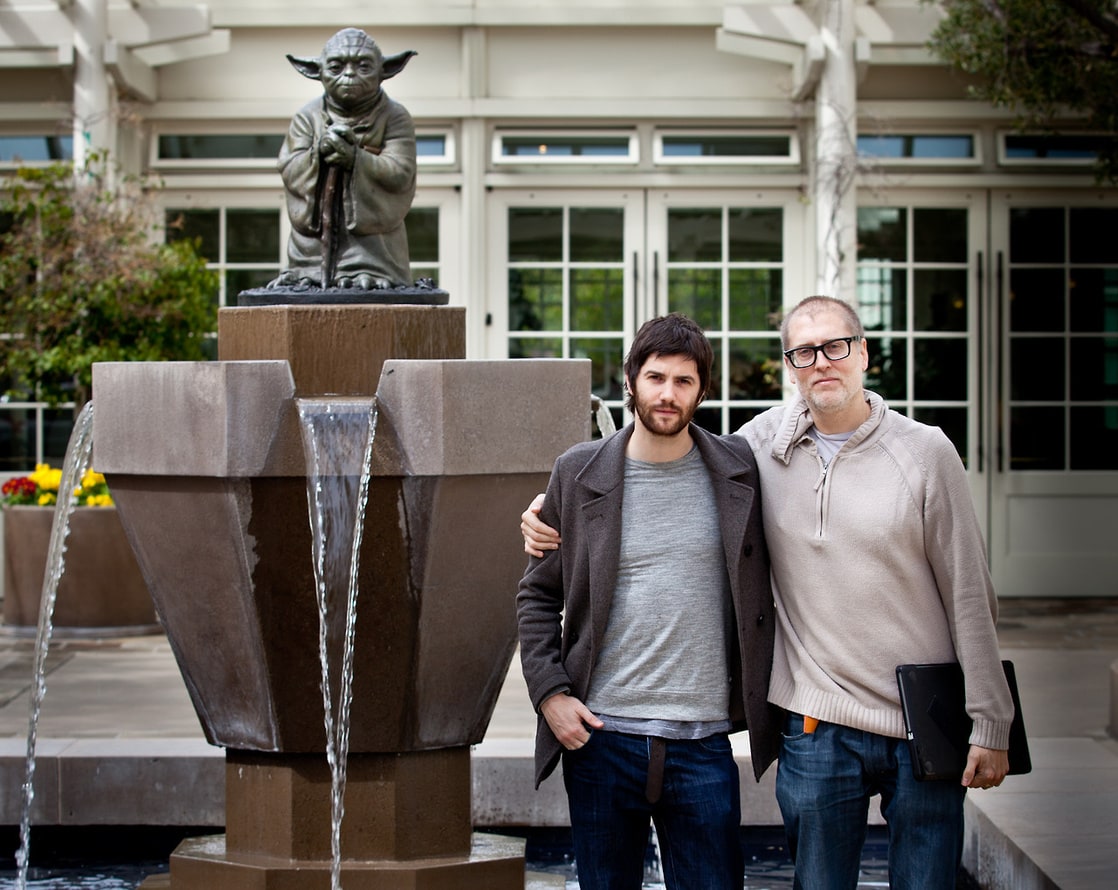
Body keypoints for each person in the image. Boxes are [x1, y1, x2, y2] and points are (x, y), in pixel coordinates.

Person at [523, 296, 1015, 890]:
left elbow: (970, 594)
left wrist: (992, 720)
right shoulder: (737, 451)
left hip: (895, 722)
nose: (821, 362)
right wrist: (545, 517)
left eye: (836, 346)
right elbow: (545, 586)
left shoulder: (907, 453)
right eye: (804, 351)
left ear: (862, 352)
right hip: (776, 725)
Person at [517, 313, 781, 890]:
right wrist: (550, 695)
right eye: (656, 377)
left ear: (702, 391)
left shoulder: (740, 470)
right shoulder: (578, 471)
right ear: (631, 381)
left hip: (704, 745)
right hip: (600, 740)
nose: (668, 394)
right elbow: (537, 595)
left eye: (684, 381)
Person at [271, 28, 417, 290]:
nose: (349, 75)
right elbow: (290, 166)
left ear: (384, 71)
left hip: (376, 251)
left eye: (363, 67)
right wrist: (319, 154)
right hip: (312, 248)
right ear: (317, 71)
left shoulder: (395, 116)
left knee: (374, 284)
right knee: (304, 284)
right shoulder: (307, 117)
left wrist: (356, 160)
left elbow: (400, 170)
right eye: (337, 67)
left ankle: (368, 269)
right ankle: (308, 271)